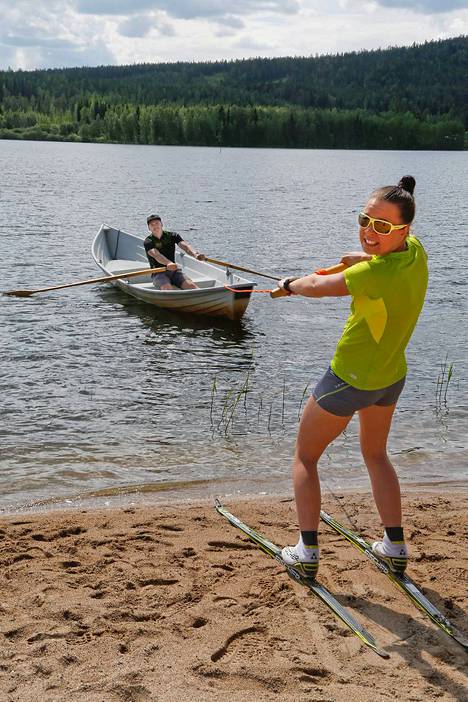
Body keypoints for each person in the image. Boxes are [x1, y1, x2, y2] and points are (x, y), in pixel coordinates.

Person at [278, 176, 428, 579]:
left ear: (404, 230)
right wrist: (358, 257)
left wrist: (289, 285)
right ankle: (394, 545)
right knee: (376, 454)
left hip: (349, 378)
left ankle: (305, 553)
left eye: (382, 226)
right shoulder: (415, 252)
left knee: (305, 457)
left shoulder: (372, 276)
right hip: (390, 377)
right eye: (365, 220)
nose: (369, 231)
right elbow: (379, 262)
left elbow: (318, 286)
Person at [144, 214, 206, 290]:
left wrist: (195, 254)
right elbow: (157, 255)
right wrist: (168, 263)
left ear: (161, 224)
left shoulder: (173, 236)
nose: (155, 226)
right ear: (149, 228)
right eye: (152, 225)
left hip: (174, 271)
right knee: (167, 288)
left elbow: (185, 246)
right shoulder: (148, 241)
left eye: (157, 223)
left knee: (191, 286)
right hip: (158, 273)